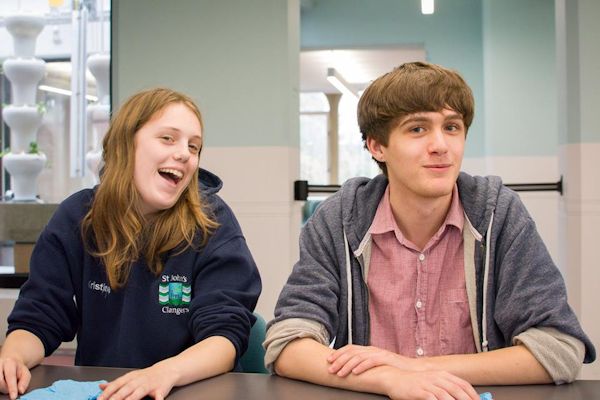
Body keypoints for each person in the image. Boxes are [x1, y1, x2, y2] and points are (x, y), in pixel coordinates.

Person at [264, 62, 595, 399]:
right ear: (377, 146)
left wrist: (412, 367)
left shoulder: (498, 214)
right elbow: (288, 343)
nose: (441, 145)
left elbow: (560, 349)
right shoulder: (339, 219)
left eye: (452, 127)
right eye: (418, 129)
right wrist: (389, 379)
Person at [0, 88, 262, 400]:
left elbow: (224, 337)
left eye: (194, 146)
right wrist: (13, 355)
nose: (184, 154)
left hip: (189, 389)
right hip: (102, 391)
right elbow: (40, 315)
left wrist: (164, 373)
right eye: (168, 138)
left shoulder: (212, 222)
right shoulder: (78, 217)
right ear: (126, 144)